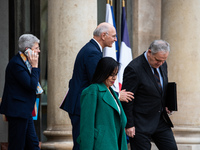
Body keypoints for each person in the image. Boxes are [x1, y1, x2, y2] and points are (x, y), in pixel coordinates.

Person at [60, 22, 134, 150]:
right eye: (114, 36)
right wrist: (116, 95)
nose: (116, 39)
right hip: (83, 106)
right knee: (83, 142)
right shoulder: (92, 52)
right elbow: (98, 80)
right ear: (104, 35)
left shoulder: (91, 49)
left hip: (82, 103)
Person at [122, 40, 178, 150]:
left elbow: (161, 88)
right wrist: (129, 124)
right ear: (149, 52)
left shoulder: (162, 64)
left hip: (160, 120)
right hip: (140, 123)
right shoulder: (134, 68)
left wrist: (167, 104)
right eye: (158, 60)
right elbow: (127, 98)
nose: (160, 64)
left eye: (163, 60)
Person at [0, 34, 42, 150]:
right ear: (27, 50)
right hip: (18, 111)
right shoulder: (17, 64)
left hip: (25, 111)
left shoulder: (25, 63)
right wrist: (35, 66)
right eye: (36, 48)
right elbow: (31, 85)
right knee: (17, 145)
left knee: (33, 145)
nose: (39, 51)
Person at [78, 57, 128, 150]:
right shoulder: (92, 90)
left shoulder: (112, 91)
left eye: (116, 74)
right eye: (111, 74)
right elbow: (87, 126)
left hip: (117, 143)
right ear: (103, 73)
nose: (114, 78)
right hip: (102, 145)